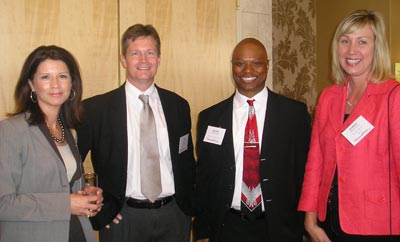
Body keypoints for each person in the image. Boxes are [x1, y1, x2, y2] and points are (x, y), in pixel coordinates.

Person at [76, 24, 195, 242]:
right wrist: (97, 206)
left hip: (174, 216)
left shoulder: (178, 106)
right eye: (135, 53)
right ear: (123, 59)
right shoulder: (95, 109)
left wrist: (188, 210)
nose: (143, 60)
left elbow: (187, 162)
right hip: (122, 218)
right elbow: (70, 165)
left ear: (158, 59)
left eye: (150, 53)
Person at [193, 38, 311, 242]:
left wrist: (304, 225)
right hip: (227, 227)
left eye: (256, 63)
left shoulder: (294, 114)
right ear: (232, 66)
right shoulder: (210, 117)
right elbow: (204, 179)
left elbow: (305, 174)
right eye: (240, 63)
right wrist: (202, 229)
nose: (248, 70)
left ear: (267, 64)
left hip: (280, 228)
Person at [298, 10, 400, 242]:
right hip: (330, 223)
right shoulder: (328, 97)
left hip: (379, 226)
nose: (351, 50)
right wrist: (310, 220)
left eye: (362, 42)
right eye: (345, 41)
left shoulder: (393, 96)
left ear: (377, 47)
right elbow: (315, 162)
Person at [0, 45, 103, 242]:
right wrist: (66, 204)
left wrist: (86, 194)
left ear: (72, 83)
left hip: (75, 233)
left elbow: (63, 185)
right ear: (31, 84)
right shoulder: (10, 132)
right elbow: (3, 204)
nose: (55, 84)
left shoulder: (70, 133)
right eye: (45, 77)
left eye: (63, 76)